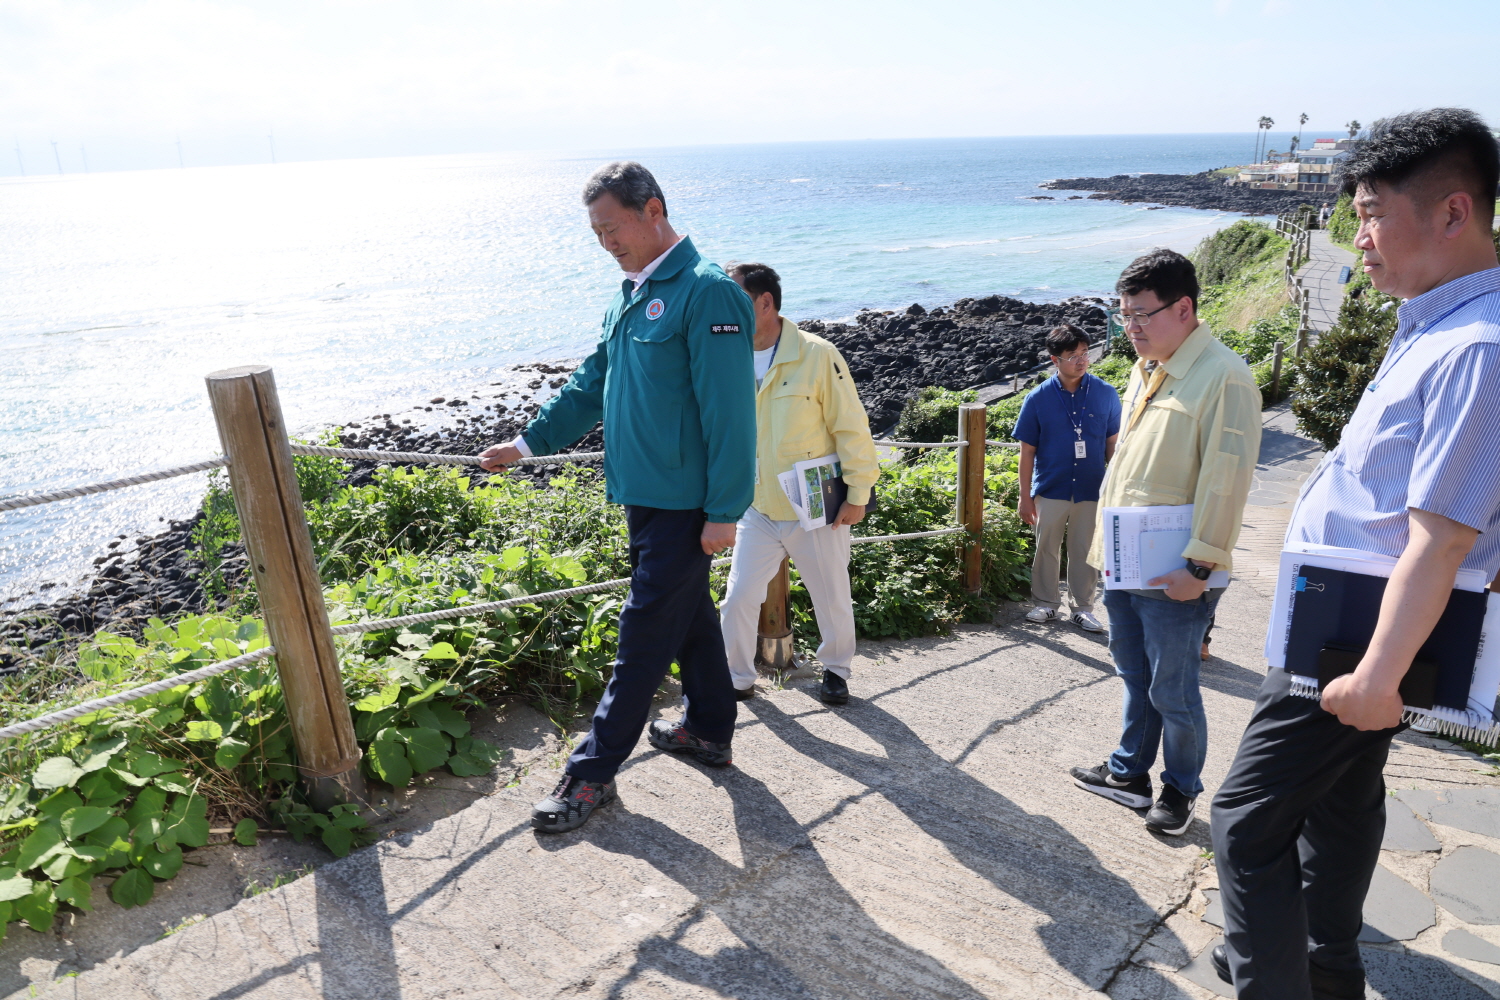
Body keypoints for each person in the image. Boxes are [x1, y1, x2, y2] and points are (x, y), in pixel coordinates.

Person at [1211, 108, 1500, 1000]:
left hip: (1366, 635)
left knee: (1245, 821)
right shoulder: (1434, 321)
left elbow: (1444, 532)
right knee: (1337, 808)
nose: (1358, 237)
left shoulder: (1476, 344)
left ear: (1454, 213)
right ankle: (1326, 966)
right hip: (1347, 624)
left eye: (1373, 213)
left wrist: (1379, 676)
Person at [478, 161, 756, 834]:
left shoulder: (707, 292)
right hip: (643, 493)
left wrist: (725, 510)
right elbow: (589, 384)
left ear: (652, 208)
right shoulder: (629, 293)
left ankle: (591, 773)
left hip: (689, 503)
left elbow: (732, 414)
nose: (606, 242)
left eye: (612, 227)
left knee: (641, 636)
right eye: (596, 232)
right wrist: (527, 444)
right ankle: (710, 728)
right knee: (683, 619)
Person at [1069, 249, 1261, 836]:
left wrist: (1200, 568)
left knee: (1173, 690)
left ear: (1185, 308)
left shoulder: (1223, 377)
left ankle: (1179, 790)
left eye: (1141, 315)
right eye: (1123, 315)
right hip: (1125, 562)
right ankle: (1130, 772)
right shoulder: (1144, 369)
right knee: (1134, 676)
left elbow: (1225, 481)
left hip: (1177, 570)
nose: (1130, 327)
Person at [717, 263, 879, 706]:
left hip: (818, 504)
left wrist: (859, 494)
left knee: (832, 598)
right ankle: (736, 676)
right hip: (757, 505)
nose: (724, 310)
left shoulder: (816, 353)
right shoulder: (725, 355)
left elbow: (850, 425)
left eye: (735, 299)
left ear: (764, 302)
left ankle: (836, 670)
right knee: (737, 599)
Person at [1015, 324, 1122, 633]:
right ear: (1055, 360)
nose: (1081, 360)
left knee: (1085, 549)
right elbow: (1027, 452)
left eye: (1085, 353)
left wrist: (1114, 486)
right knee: (1046, 547)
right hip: (1052, 486)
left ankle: (1083, 608)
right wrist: (1025, 496)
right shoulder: (1037, 399)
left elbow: (1112, 444)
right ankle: (1046, 604)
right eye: (1072, 355)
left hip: (1091, 487)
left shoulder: (1105, 393)